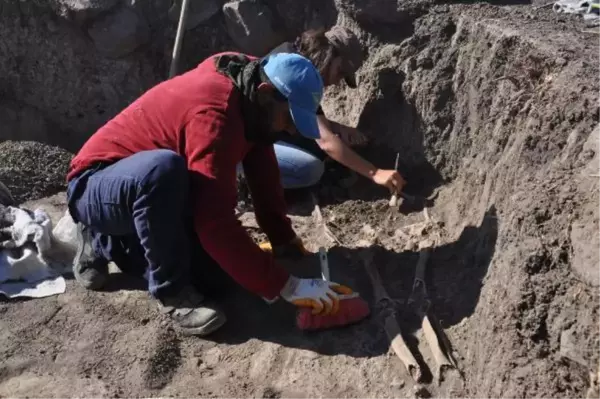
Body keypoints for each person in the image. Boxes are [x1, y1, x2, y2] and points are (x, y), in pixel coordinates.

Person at [65, 51, 355, 337]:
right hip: (97, 182)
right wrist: (286, 285)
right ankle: (162, 286)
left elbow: (260, 155)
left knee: (219, 280)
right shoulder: (214, 118)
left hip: (155, 193)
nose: (291, 131)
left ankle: (125, 243)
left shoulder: (254, 83)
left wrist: (281, 236)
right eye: (289, 119)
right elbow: (214, 223)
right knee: (161, 170)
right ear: (266, 93)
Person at [259, 27, 406, 193]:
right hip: (239, 141)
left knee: (314, 147)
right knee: (310, 169)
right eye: (341, 72)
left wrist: (339, 128)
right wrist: (375, 173)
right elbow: (326, 142)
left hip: (252, 130)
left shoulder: (294, 56)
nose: (337, 82)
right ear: (329, 56)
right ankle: (246, 182)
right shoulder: (299, 74)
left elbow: (308, 118)